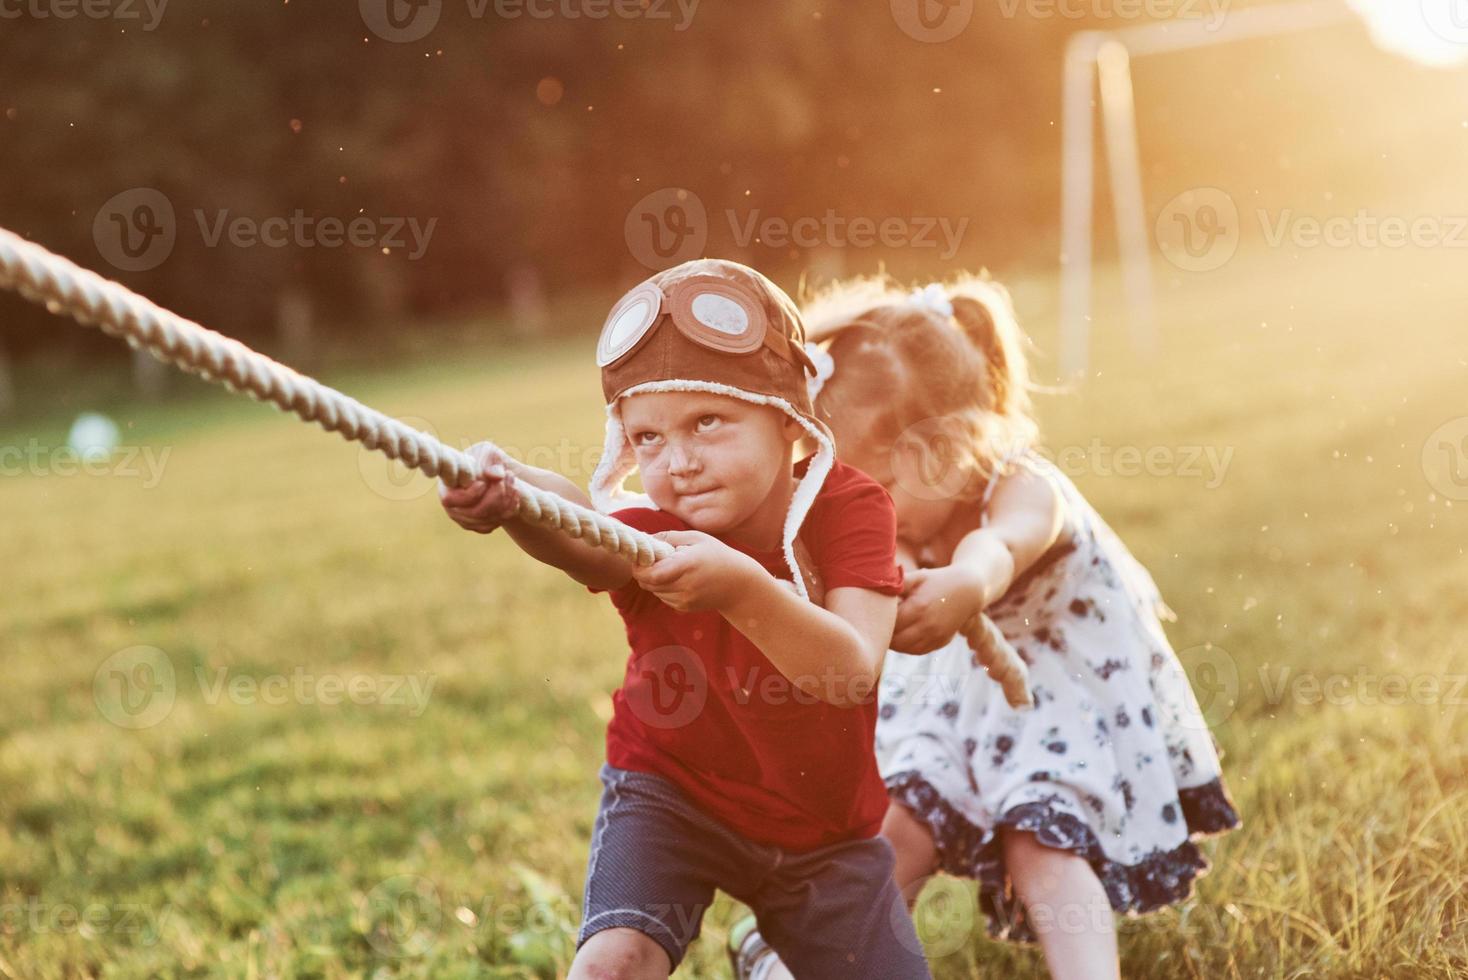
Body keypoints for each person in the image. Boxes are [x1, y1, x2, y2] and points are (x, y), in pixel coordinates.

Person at [730, 276, 1241, 980]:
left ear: (949, 448)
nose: (862, 515)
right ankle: (811, 960)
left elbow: (999, 549)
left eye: (873, 492)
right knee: (898, 829)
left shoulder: (1027, 489)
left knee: (1041, 843)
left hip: (1059, 697)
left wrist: (965, 585)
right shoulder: (899, 522)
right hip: (957, 694)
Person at [439, 259, 932, 979]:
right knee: (614, 962)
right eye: (648, 439)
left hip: (824, 830)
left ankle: (768, 956)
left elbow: (849, 671)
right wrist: (513, 494)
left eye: (707, 422)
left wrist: (744, 591)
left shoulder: (850, 508)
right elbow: (577, 523)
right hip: (672, 794)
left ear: (789, 422)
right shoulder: (648, 530)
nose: (679, 462)